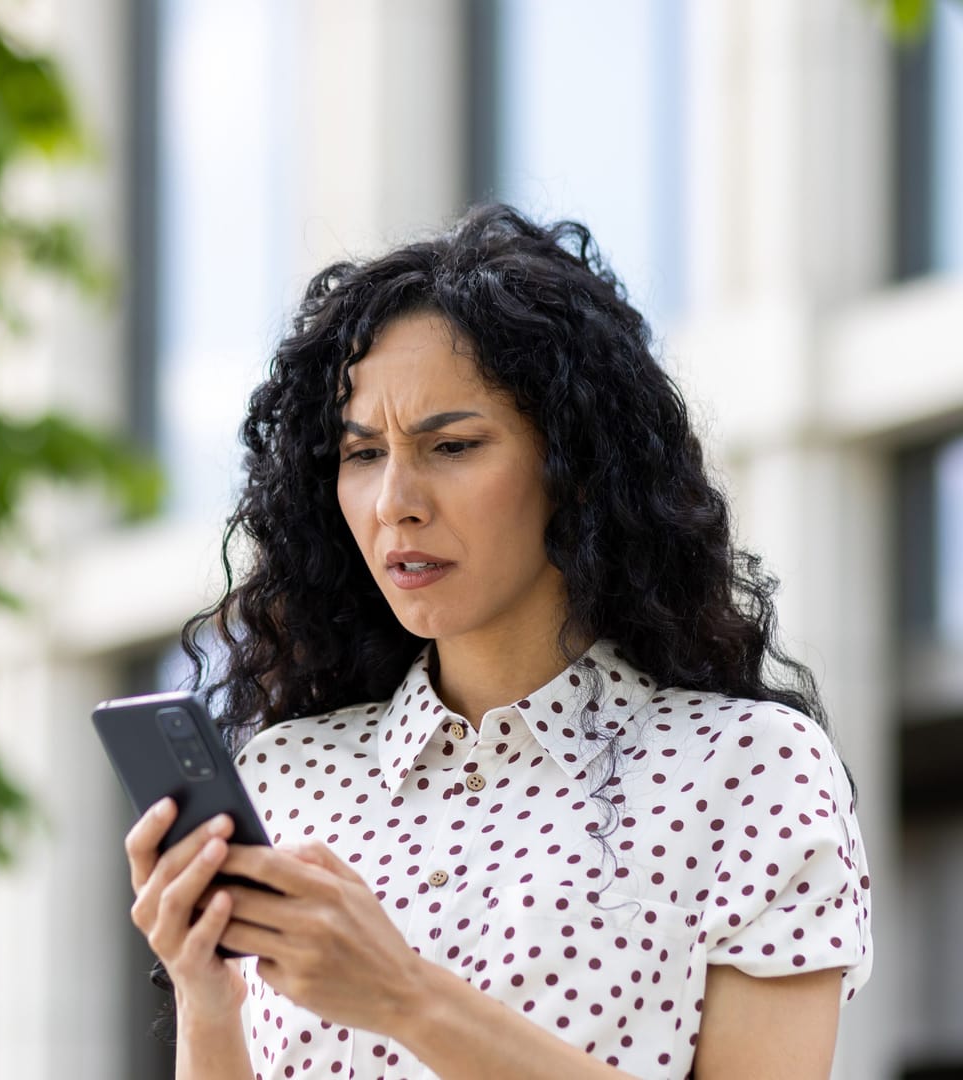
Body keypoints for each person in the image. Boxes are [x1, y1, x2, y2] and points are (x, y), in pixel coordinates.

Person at [123, 204, 873, 1079]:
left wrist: (404, 995)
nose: (395, 500)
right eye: (362, 455)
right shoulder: (289, 776)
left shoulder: (748, 768)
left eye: (453, 445)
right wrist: (206, 998)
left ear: (577, 465)